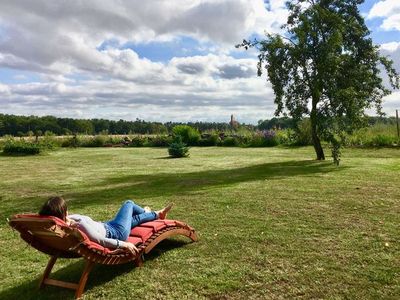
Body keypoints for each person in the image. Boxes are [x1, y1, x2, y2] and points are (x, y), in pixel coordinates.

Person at [39, 196, 173, 254]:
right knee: (128, 203)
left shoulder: (64, 224)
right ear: (63, 212)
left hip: (109, 226)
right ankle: (151, 213)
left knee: (135, 218)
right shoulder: (77, 226)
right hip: (116, 232)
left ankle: (154, 214)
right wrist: (124, 244)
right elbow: (100, 241)